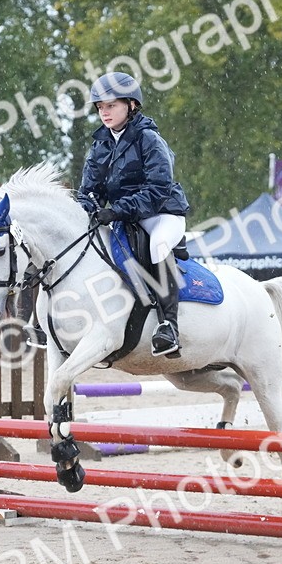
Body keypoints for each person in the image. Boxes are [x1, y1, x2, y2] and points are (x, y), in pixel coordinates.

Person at [77, 72, 190, 357]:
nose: (104, 111)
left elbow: (158, 188)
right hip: (121, 216)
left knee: (158, 244)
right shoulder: (100, 144)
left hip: (161, 212)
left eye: (111, 105)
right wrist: (88, 206)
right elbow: (88, 190)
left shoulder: (149, 139)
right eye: (100, 107)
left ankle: (168, 326)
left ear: (131, 105)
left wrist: (116, 210)